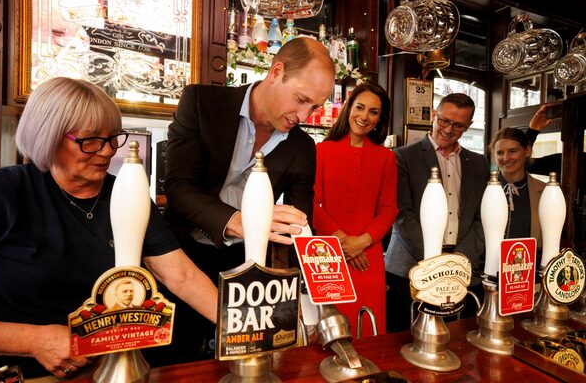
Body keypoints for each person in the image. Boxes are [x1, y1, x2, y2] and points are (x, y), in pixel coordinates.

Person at [0, 77, 218, 379]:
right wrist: (33, 341)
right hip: (20, 372)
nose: (108, 151)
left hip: (109, 369)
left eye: (112, 138)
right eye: (91, 141)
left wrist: (241, 327)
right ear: (48, 136)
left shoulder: (127, 193)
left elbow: (181, 275)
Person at [164, 37, 335, 357]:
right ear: (276, 72)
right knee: (178, 358)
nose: (304, 115)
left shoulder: (302, 147)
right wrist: (242, 222)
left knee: (244, 358)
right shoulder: (201, 103)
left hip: (248, 265)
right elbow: (178, 187)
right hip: (181, 257)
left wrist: (309, 298)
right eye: (301, 99)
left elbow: (300, 228)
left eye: (315, 107)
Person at [384, 93, 490, 332]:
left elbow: (483, 217)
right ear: (433, 115)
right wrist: (435, 260)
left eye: (458, 125)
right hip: (409, 268)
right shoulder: (403, 156)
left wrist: (458, 259)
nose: (449, 129)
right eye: (444, 120)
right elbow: (401, 213)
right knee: (403, 340)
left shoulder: (479, 163)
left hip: (462, 268)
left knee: (458, 339)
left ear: (469, 126)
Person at [313, 83, 398, 336]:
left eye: (374, 112)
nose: (364, 116)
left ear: (380, 119)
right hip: (328, 252)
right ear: (349, 108)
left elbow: (389, 208)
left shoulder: (386, 157)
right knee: (329, 328)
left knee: (368, 327)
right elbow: (311, 202)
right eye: (359, 107)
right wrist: (341, 241)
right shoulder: (321, 151)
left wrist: (362, 241)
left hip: (368, 256)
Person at [490, 128, 545, 249]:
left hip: (529, 259)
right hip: (487, 260)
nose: (506, 158)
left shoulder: (544, 191)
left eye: (513, 151)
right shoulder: (483, 188)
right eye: (500, 153)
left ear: (527, 151)